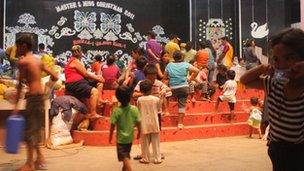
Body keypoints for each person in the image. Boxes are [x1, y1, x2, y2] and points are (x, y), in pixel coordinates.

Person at [240, 28, 304, 171]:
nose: (281, 64)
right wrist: (264, 67)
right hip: (277, 148)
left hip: (300, 151)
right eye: (276, 59)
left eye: (289, 58)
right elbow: (245, 80)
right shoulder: (272, 83)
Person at [13, 34, 59, 171]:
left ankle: (29, 164)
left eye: (18, 46)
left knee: (29, 132)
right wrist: (46, 90)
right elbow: (55, 76)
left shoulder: (23, 62)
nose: (16, 49)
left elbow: (20, 85)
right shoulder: (38, 60)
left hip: (32, 99)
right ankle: (39, 159)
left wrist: (16, 106)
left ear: (24, 46)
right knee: (35, 129)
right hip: (40, 99)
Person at [64, 45, 104, 118]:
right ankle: (93, 113)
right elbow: (86, 74)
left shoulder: (74, 61)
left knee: (99, 83)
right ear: (80, 52)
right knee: (94, 91)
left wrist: (97, 78)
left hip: (78, 82)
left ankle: (99, 100)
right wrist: (98, 78)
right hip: (75, 83)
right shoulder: (75, 61)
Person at [164, 50, 199, 129]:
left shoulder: (169, 65)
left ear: (173, 57)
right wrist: (190, 79)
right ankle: (180, 124)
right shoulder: (186, 64)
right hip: (184, 87)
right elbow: (197, 71)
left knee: (165, 96)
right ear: (182, 57)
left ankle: (166, 110)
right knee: (182, 105)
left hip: (172, 88)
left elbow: (164, 77)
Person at [109, 85, 141, 171]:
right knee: (125, 156)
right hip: (130, 138)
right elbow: (139, 122)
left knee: (125, 157)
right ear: (130, 96)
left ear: (117, 98)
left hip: (121, 140)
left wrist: (110, 136)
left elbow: (112, 125)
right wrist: (139, 133)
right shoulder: (134, 109)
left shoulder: (116, 111)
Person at [137, 80, 162, 164]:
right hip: (154, 121)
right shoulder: (156, 99)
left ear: (141, 90)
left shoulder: (139, 99)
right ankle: (157, 158)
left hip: (144, 122)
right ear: (151, 89)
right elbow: (159, 110)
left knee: (144, 142)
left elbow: (138, 110)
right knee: (156, 142)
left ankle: (145, 158)